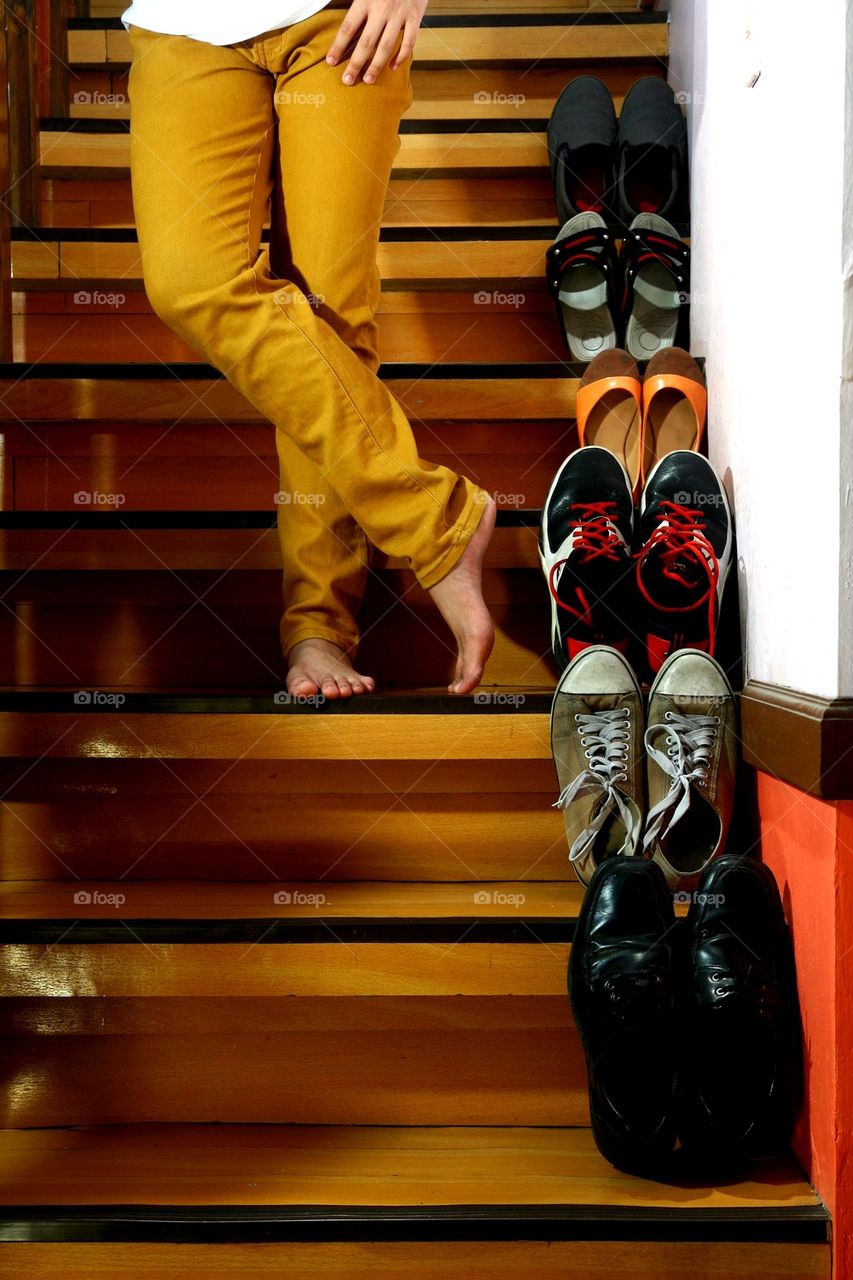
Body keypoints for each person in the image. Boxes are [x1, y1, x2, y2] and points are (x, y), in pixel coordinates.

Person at [121, 0, 496, 698]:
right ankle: (433, 518)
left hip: (343, 17)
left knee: (328, 312)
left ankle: (319, 627)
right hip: (184, 24)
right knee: (189, 282)